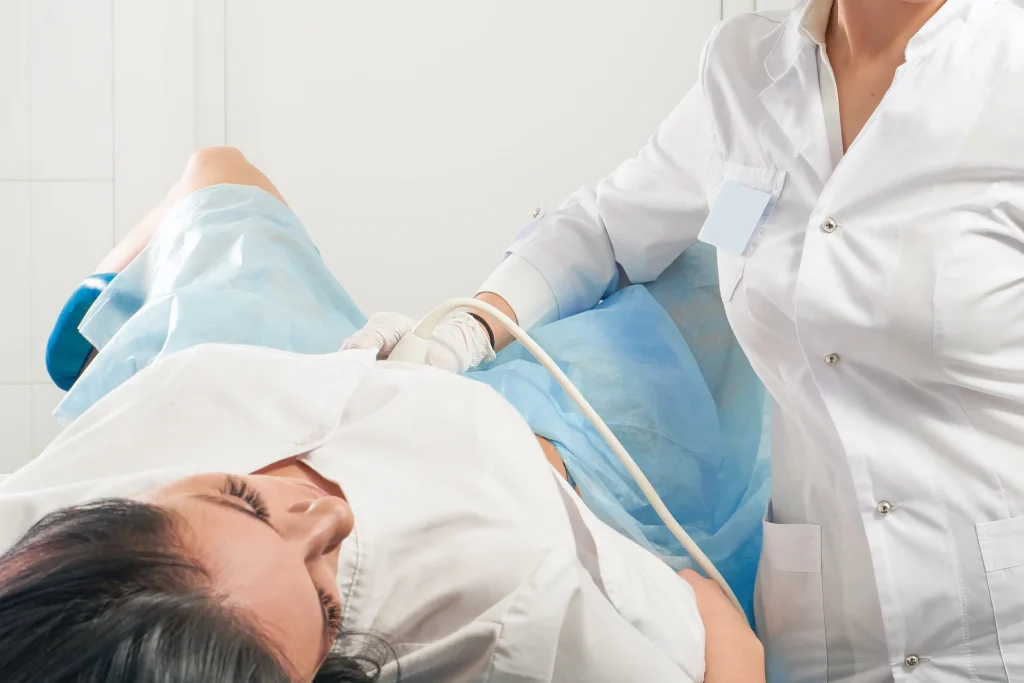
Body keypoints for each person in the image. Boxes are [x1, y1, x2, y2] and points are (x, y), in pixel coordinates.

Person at [345, 0, 1024, 681]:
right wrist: (466, 326)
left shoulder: (1006, 69)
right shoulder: (744, 73)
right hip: (824, 641)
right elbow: (605, 227)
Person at [0, 147, 766, 682]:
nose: (327, 514)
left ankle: (112, 321)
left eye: (245, 496)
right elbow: (725, 642)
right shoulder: (510, 598)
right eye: (326, 604)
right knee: (724, 270)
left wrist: (474, 323)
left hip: (280, 376)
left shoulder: (34, 534)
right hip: (548, 441)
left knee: (219, 173)